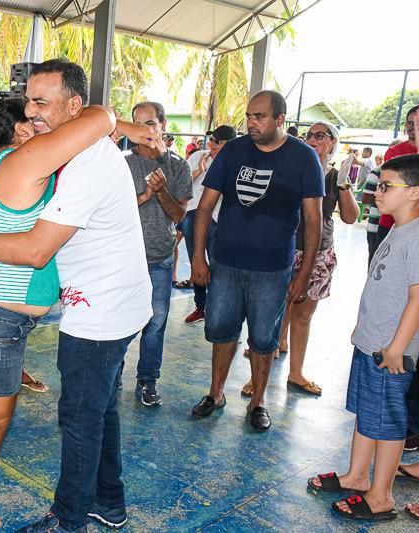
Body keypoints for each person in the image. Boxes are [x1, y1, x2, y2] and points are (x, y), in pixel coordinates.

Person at [0, 59, 156, 533]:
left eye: (41, 103)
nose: (30, 113)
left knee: (82, 417)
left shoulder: (82, 162)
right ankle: (99, 503)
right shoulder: (59, 155)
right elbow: (12, 213)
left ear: (73, 107)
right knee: (93, 410)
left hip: (98, 309)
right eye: (26, 103)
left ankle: (69, 520)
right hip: (20, 313)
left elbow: (37, 250)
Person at [190, 90, 324, 431]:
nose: (252, 122)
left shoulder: (303, 157)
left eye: (260, 116)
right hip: (226, 263)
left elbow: (313, 221)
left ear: (280, 120)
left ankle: (258, 401)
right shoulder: (234, 150)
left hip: (272, 268)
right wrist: (198, 259)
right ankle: (215, 393)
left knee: (263, 339)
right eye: (249, 116)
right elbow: (204, 207)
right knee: (221, 331)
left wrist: (304, 272)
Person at [308, 154, 419, 522]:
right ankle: (357, 476)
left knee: (387, 421)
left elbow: (418, 300)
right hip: (372, 343)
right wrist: (363, 327)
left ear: (415, 192)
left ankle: (381, 495)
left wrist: (398, 348)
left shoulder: (417, 237)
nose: (377, 192)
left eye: (387, 186)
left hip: (390, 352)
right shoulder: (396, 229)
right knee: (367, 414)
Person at [263, 121, 359, 397]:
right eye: (309, 135)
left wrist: (344, 184)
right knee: (276, 313)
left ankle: (296, 374)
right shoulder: (295, 170)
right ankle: (262, 377)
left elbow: (351, 217)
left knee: (303, 315)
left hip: (319, 252)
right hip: (287, 248)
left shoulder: (334, 177)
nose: (313, 139)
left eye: (321, 135)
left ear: (332, 143)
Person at [126, 101, 192, 407]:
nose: (144, 131)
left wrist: (162, 191)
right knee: (119, 323)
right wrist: (146, 195)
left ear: (163, 125)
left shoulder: (178, 165)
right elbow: (110, 211)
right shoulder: (122, 163)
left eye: (150, 123)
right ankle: (113, 373)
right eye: (137, 124)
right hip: (123, 258)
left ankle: (147, 380)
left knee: (155, 325)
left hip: (160, 259)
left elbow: (179, 215)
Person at [181, 125, 236, 324]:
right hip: (191, 216)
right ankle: (201, 306)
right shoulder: (198, 157)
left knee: (216, 264)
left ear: (228, 145)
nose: (211, 145)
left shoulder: (234, 162)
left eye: (216, 142)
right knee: (197, 261)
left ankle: (217, 309)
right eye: (211, 140)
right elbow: (181, 185)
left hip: (218, 219)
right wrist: (199, 171)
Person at [376, 105, 418, 248]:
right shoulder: (395, 151)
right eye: (409, 123)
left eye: (417, 123)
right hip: (392, 222)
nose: (413, 127)